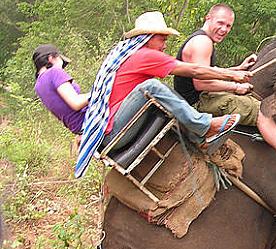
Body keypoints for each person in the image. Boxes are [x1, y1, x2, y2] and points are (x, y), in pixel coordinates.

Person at [74, 11, 251, 178]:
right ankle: (205, 126)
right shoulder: (145, 56)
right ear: (147, 38)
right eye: (162, 39)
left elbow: (200, 70)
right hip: (116, 134)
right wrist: (233, 78)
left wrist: (235, 70)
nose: (165, 45)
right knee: (152, 87)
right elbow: (195, 70)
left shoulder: (134, 55)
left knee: (163, 96)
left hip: (116, 131)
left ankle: (196, 137)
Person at [174, 3, 276, 181]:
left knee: (250, 99)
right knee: (262, 111)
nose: (224, 29)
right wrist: (235, 86)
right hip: (198, 104)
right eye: (220, 23)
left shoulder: (200, 39)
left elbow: (209, 70)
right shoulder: (202, 43)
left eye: (228, 26)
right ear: (208, 18)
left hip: (201, 98)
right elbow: (201, 83)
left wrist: (238, 69)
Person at [33, 44, 89, 135]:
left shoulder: (38, 86)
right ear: (51, 58)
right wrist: (99, 92)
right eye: (61, 61)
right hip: (88, 120)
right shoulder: (54, 72)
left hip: (79, 129)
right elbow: (76, 103)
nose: (62, 68)